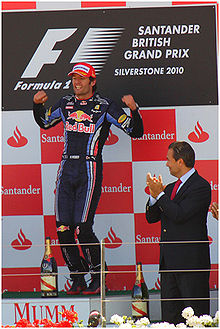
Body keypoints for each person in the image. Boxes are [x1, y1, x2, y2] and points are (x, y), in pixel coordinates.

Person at [33, 62, 144, 295]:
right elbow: (45, 122)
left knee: (83, 228)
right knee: (63, 228)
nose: (77, 82)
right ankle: (78, 277)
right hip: (66, 166)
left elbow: (135, 131)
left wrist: (133, 110)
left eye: (82, 78)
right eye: (74, 78)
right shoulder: (65, 103)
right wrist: (36, 105)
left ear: (92, 82)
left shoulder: (105, 106)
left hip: (89, 167)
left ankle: (98, 275)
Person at [145, 141, 211, 325]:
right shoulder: (170, 187)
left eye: (168, 160)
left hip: (191, 265)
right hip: (169, 264)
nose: (166, 164)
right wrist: (153, 195)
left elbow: (180, 215)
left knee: (194, 317)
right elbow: (152, 217)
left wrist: (160, 195)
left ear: (180, 161)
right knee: (170, 317)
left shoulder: (201, 186)